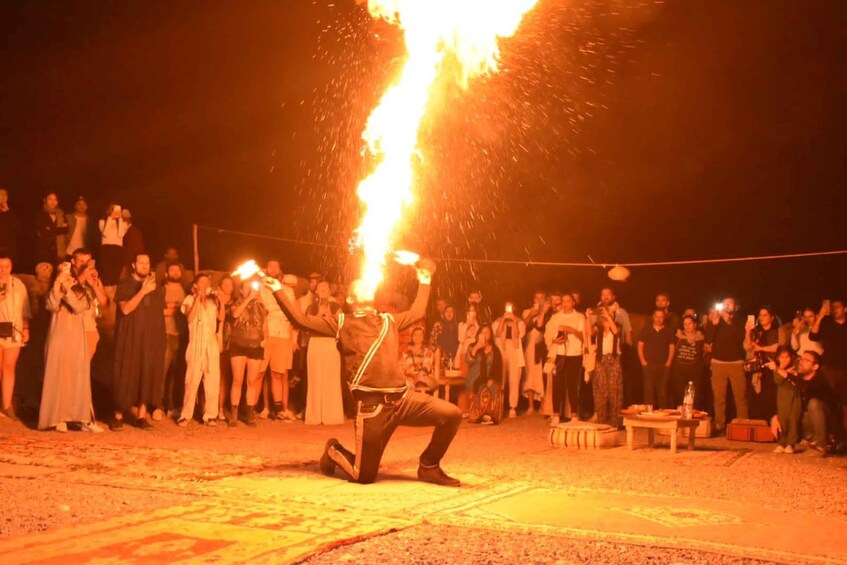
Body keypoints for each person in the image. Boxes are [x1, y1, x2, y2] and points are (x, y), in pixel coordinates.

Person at [267, 259, 462, 486]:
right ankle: (333, 450)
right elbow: (299, 320)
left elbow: (418, 311)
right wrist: (277, 289)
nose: (366, 283)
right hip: (373, 410)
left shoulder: (389, 320)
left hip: (403, 400)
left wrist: (424, 279)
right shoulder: (341, 323)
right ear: (351, 299)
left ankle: (429, 466)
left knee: (452, 414)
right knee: (364, 476)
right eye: (359, 285)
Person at [38, 251, 103, 432]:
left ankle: (80, 417)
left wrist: (68, 290)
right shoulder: (56, 285)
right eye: (79, 260)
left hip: (76, 335)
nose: (83, 264)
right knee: (56, 373)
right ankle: (57, 417)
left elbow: (79, 306)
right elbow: (51, 305)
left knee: (78, 374)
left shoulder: (80, 287)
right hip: (58, 335)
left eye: (86, 261)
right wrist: (59, 284)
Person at [111, 254, 166, 431]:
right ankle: (118, 416)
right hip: (129, 338)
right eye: (140, 263)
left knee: (146, 374)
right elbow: (126, 310)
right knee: (126, 373)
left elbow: (159, 315)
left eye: (147, 263)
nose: (144, 266)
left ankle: (141, 416)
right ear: (134, 265)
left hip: (149, 340)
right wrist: (143, 291)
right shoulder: (125, 284)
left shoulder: (157, 288)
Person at [177, 273, 225, 427]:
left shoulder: (213, 301)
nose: (205, 284)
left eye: (207, 282)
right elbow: (190, 318)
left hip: (211, 344)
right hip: (196, 344)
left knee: (213, 380)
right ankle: (185, 415)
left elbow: (221, 318)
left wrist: (222, 302)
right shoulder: (189, 299)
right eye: (202, 282)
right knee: (191, 380)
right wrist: (198, 297)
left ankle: (211, 415)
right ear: (196, 285)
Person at [258, 262, 298, 420]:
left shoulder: (286, 290)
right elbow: (262, 309)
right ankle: (264, 408)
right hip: (264, 334)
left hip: (283, 334)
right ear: (266, 269)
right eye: (270, 266)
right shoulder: (259, 287)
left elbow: (293, 314)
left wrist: (294, 338)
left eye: (276, 267)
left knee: (279, 373)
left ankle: (281, 409)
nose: (273, 269)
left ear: (280, 270)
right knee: (261, 373)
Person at [704, 297, 749, 434]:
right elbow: (708, 340)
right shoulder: (716, 321)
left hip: (736, 363)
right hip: (718, 363)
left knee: (740, 397)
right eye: (724, 303)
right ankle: (720, 426)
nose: (727, 305)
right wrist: (714, 324)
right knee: (719, 398)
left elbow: (741, 337)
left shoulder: (740, 322)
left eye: (730, 303)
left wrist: (728, 321)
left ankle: (743, 425)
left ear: (735, 307)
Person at [303, 280, 344, 425]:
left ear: (329, 290)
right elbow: (307, 324)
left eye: (326, 287)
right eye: (320, 287)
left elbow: (341, 326)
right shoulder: (311, 307)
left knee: (330, 378)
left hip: (330, 344)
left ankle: (331, 415)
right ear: (316, 291)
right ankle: (315, 415)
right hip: (316, 343)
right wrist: (319, 315)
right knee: (315, 378)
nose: (323, 289)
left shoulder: (336, 306)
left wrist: (330, 316)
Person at [228, 279, 266, 427]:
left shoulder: (261, 306)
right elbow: (236, 314)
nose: (251, 291)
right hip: (239, 344)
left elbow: (264, 324)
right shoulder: (236, 304)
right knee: (237, 380)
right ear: (242, 291)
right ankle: (234, 415)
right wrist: (249, 299)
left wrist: (266, 339)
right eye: (247, 289)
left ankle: (250, 413)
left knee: (252, 381)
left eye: (252, 289)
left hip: (256, 345)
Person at [545, 293, 585, 425]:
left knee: (573, 385)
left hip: (575, 354)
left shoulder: (580, 317)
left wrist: (572, 330)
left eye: (568, 301)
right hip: (559, 353)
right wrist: (554, 340)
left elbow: (584, 337)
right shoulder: (556, 317)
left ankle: (574, 415)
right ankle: (556, 414)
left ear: (573, 302)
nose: (566, 304)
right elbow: (548, 335)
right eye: (563, 301)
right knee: (557, 385)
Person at [795, 351, 845, 456]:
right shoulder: (798, 380)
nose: (801, 362)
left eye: (806, 360)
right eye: (801, 359)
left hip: (829, 426)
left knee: (814, 403)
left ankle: (821, 446)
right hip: (810, 427)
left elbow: (808, 387)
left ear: (815, 367)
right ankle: (811, 440)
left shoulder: (820, 380)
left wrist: (786, 374)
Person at [0, 256, 31, 420]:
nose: (3, 270)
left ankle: (6, 405)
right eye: (0, 266)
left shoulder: (18, 284)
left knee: (9, 367)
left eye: (6, 266)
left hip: (14, 330)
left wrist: (26, 328)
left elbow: (24, 308)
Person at [161, 262, 187, 419]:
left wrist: (174, 308)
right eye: (172, 270)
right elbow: (161, 311)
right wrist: (176, 309)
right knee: (163, 371)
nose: (175, 272)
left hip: (182, 335)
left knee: (177, 373)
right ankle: (158, 405)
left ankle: (172, 405)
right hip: (167, 333)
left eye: (178, 270)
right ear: (166, 274)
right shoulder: (161, 290)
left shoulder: (187, 290)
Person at [809, 299, 847, 406]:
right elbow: (813, 336)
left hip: (845, 367)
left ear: (845, 309)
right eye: (833, 307)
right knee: (830, 400)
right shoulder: (827, 323)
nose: (835, 310)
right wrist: (820, 316)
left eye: (837, 307)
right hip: (830, 367)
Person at [744, 306, 779, 421]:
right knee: (754, 397)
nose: (762, 318)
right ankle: (756, 423)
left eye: (765, 315)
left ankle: (770, 424)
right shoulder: (756, 331)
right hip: (755, 368)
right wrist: (748, 332)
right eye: (760, 315)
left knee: (769, 397)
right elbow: (747, 347)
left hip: (769, 367)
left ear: (771, 317)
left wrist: (761, 349)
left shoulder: (777, 331)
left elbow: (777, 347)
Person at [589, 308, 622, 427]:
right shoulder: (598, 328)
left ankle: (615, 421)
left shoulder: (617, 325)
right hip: (601, 360)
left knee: (614, 390)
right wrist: (588, 317)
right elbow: (589, 334)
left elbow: (616, 332)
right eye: (603, 314)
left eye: (608, 313)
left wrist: (609, 317)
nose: (605, 316)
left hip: (613, 360)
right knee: (600, 390)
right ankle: (601, 420)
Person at [493, 303, 526, 418]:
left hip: (515, 349)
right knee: (501, 378)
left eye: (511, 308)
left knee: (514, 379)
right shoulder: (497, 321)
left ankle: (513, 407)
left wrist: (514, 322)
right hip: (501, 348)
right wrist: (503, 319)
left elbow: (518, 335)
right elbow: (497, 333)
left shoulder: (520, 322)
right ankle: (499, 406)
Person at [638, 308, 675, 409]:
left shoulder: (669, 331)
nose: (659, 319)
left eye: (661, 317)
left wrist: (668, 363)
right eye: (657, 317)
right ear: (653, 317)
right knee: (648, 393)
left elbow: (672, 347)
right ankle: (648, 417)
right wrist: (643, 362)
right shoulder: (646, 329)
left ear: (664, 318)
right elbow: (640, 345)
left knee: (662, 393)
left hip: (663, 366)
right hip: (648, 365)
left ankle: (663, 418)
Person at [465, 326, 504, 424]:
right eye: (483, 332)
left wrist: (492, 379)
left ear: (490, 335)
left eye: (487, 332)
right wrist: (477, 346)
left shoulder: (495, 350)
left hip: (491, 376)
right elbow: (468, 361)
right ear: (478, 334)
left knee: (491, 387)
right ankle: (479, 414)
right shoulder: (472, 346)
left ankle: (490, 415)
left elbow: (498, 367)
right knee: (480, 386)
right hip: (475, 377)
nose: (485, 335)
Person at [767, 346, 801, 454]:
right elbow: (778, 380)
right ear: (778, 358)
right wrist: (780, 368)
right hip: (782, 398)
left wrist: (779, 369)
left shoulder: (795, 368)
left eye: (787, 357)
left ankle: (791, 444)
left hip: (794, 398)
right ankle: (782, 442)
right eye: (782, 357)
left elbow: (794, 382)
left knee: (793, 420)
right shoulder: (776, 368)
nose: (785, 359)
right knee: (783, 420)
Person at [521, 292, 550, 415]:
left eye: (541, 298)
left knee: (541, 375)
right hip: (528, 346)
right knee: (529, 375)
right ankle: (531, 406)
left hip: (542, 347)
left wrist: (542, 312)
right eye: (536, 298)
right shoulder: (527, 311)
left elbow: (541, 327)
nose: (538, 300)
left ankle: (543, 405)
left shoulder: (548, 312)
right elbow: (523, 326)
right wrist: (532, 314)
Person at [671, 315, 706, 408]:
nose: (687, 326)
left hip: (695, 372)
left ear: (695, 325)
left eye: (690, 323)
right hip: (679, 371)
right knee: (679, 395)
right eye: (685, 324)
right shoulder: (677, 337)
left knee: (695, 396)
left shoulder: (701, 338)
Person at [217, 275, 236, 420]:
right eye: (225, 284)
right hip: (216, 339)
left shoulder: (235, 303)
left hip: (231, 342)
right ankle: (208, 407)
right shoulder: (215, 301)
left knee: (226, 377)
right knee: (214, 375)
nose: (228, 287)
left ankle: (221, 408)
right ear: (220, 286)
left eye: (230, 284)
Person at [97, 204, 130, 287]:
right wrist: (109, 218)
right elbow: (105, 234)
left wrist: (119, 220)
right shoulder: (102, 221)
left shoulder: (124, 223)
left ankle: (114, 291)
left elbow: (120, 235)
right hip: (106, 248)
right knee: (106, 272)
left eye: (119, 211)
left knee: (116, 272)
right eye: (115, 211)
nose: (117, 213)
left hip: (118, 249)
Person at [34, 192, 68, 264]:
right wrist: (59, 229)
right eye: (50, 199)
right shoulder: (40, 214)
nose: (53, 202)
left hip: (58, 250)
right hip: (44, 250)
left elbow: (66, 230)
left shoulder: (60, 213)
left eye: (55, 199)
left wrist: (51, 229)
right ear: (45, 200)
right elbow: (45, 232)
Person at [402, 326, 436, 393]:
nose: (417, 337)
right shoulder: (406, 351)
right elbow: (403, 365)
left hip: (422, 376)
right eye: (415, 334)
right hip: (409, 376)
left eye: (420, 335)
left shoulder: (427, 351)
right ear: (412, 336)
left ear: (423, 337)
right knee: (406, 383)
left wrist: (421, 373)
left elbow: (427, 365)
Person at [121, 209, 145, 276]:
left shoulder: (135, 232)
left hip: (128, 267)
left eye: (122, 219)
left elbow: (138, 250)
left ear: (127, 220)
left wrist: (127, 265)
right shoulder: (123, 232)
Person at [0, 188, 21, 264]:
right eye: (0, 194)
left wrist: (7, 212)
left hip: (9, 249)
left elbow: (17, 229)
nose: (2, 197)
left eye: (4, 195)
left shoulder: (11, 212)